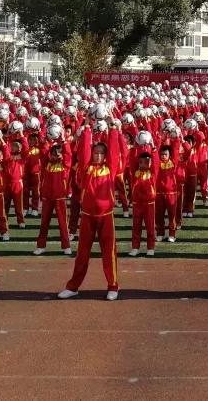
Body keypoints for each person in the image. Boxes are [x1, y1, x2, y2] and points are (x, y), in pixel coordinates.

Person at [58, 127, 121, 301]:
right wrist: (86, 128)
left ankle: (113, 285)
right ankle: (73, 286)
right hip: (87, 216)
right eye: (95, 152)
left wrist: (113, 128)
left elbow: (115, 151)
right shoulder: (86, 170)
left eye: (102, 153)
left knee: (109, 252)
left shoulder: (110, 168)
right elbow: (83, 151)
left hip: (106, 216)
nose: (98, 155)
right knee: (82, 253)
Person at [129, 151, 157, 257]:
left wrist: (153, 149)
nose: (143, 164)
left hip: (149, 204)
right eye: (141, 162)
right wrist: (137, 146)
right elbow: (132, 160)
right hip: (137, 204)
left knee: (150, 227)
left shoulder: (152, 173)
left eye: (146, 162)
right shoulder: (135, 172)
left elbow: (156, 162)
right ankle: (135, 247)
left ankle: (150, 247)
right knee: (136, 226)